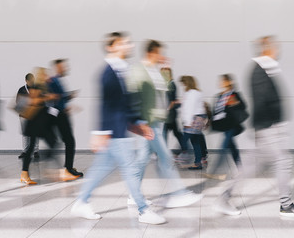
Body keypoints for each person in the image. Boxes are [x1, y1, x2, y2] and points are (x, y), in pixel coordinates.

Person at [71, 32, 167, 224]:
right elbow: (106, 105)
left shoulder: (122, 70)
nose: (129, 46)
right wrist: (100, 133)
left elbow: (126, 104)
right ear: (112, 46)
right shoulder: (107, 73)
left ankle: (81, 202)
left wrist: (139, 123)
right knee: (130, 168)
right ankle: (143, 210)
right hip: (113, 131)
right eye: (124, 43)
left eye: (129, 43)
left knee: (102, 168)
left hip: (119, 129)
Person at [215, 36, 294, 218]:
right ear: (268, 48)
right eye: (275, 47)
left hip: (269, 127)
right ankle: (286, 205)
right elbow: (261, 101)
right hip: (269, 127)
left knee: (251, 166)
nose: (278, 50)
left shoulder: (267, 67)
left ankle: (224, 198)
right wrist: (272, 125)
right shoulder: (259, 69)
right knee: (283, 161)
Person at [128, 39, 203, 214]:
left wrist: (164, 72)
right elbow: (134, 98)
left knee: (141, 160)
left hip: (155, 122)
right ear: (151, 53)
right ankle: (179, 193)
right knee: (165, 157)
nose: (162, 56)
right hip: (148, 123)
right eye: (159, 52)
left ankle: (133, 195)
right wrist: (140, 122)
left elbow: (160, 93)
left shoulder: (153, 71)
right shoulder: (138, 71)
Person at [20, 67, 60, 185]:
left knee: (49, 143)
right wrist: (48, 97)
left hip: (41, 122)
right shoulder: (36, 86)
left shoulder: (43, 86)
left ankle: (27, 173)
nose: (45, 75)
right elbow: (33, 101)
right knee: (34, 147)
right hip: (35, 122)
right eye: (43, 74)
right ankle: (28, 173)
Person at [47, 59, 83, 180]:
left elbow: (60, 98)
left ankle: (68, 167)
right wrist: (65, 100)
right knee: (69, 141)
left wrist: (68, 97)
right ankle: (67, 168)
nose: (65, 68)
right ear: (57, 67)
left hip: (61, 114)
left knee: (67, 141)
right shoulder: (52, 81)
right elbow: (52, 98)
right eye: (63, 67)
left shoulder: (57, 80)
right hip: (59, 116)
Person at [207, 74, 247, 177]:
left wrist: (234, 103)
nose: (221, 83)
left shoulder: (234, 94)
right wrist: (210, 121)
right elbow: (216, 111)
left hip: (233, 124)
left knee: (223, 146)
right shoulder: (219, 96)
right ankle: (240, 167)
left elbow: (243, 106)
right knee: (232, 146)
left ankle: (216, 171)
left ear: (229, 82)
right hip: (224, 125)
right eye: (221, 81)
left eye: (223, 81)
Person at [179, 75, 207, 170]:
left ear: (187, 83)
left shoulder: (191, 93)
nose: (183, 85)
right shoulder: (197, 92)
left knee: (184, 140)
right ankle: (198, 163)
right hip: (199, 118)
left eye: (184, 83)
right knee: (195, 142)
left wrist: (187, 121)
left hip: (193, 119)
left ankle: (185, 156)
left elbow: (190, 108)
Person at [161, 67, 186, 152]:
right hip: (171, 113)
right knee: (176, 132)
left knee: (165, 132)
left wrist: (167, 111)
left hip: (170, 113)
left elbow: (172, 101)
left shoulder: (171, 84)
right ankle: (184, 148)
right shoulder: (169, 84)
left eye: (164, 73)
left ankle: (162, 151)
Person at [16, 73, 40, 160]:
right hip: (24, 115)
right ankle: (25, 151)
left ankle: (36, 151)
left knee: (35, 133)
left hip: (35, 115)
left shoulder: (37, 89)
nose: (31, 82)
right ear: (26, 81)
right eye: (29, 81)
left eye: (32, 81)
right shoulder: (22, 90)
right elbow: (18, 103)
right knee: (25, 133)